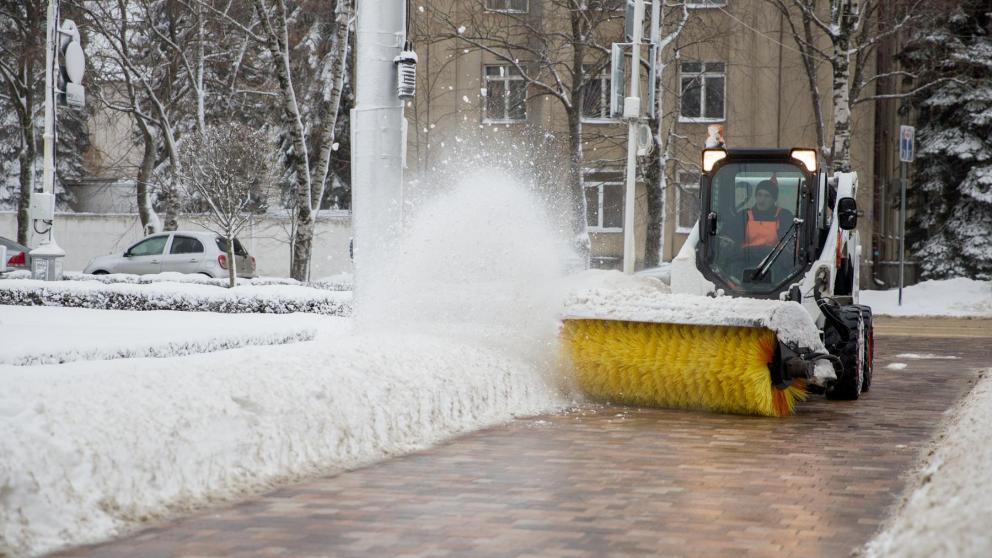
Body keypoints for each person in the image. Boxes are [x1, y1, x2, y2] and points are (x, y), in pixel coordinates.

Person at [743, 179, 793, 248]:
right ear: (755, 196)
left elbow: (788, 244)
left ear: (774, 199)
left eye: (767, 196)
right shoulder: (744, 215)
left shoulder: (784, 216)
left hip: (774, 255)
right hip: (747, 255)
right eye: (759, 195)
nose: (762, 200)